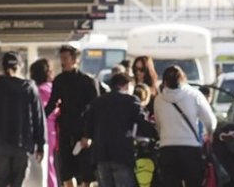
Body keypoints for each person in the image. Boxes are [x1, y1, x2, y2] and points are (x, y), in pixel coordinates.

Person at [0, 51, 45, 187]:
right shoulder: (29, 88)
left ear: (3, 67)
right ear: (20, 67)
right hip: (22, 145)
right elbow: (38, 118)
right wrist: (40, 144)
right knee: (19, 183)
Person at [81, 72, 157, 187]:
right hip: (121, 154)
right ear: (126, 85)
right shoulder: (130, 100)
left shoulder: (98, 102)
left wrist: (87, 136)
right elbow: (142, 123)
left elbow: (87, 124)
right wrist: (157, 134)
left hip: (101, 155)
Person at [45, 44, 100, 187]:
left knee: (85, 173)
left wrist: (88, 135)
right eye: (61, 58)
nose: (62, 62)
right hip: (65, 131)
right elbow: (52, 103)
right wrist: (39, 119)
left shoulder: (87, 81)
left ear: (75, 59)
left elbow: (95, 110)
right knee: (66, 171)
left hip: (83, 132)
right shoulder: (59, 81)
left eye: (65, 58)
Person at [154, 65, 216, 187]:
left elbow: (158, 125)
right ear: (183, 78)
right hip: (190, 149)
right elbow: (210, 121)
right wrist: (209, 134)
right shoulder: (194, 95)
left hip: (167, 149)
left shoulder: (159, 99)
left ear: (164, 81)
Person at [29, 58, 59, 187]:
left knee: (45, 166)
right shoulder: (52, 88)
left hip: (42, 130)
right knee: (51, 164)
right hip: (54, 129)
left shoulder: (37, 91)